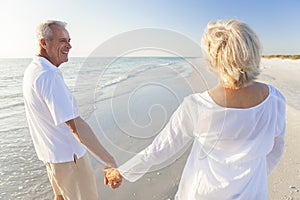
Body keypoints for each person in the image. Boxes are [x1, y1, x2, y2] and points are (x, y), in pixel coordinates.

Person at [104, 19, 286, 199]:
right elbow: (276, 150)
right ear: (253, 52)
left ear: (215, 59)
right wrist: (254, 177)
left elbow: (160, 149)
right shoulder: (275, 99)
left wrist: (122, 171)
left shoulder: (198, 106)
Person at [23, 20, 120, 200]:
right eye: (62, 41)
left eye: (69, 40)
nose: (69, 45)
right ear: (43, 43)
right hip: (70, 161)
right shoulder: (48, 76)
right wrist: (110, 162)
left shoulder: (33, 70)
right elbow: (75, 126)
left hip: (52, 160)